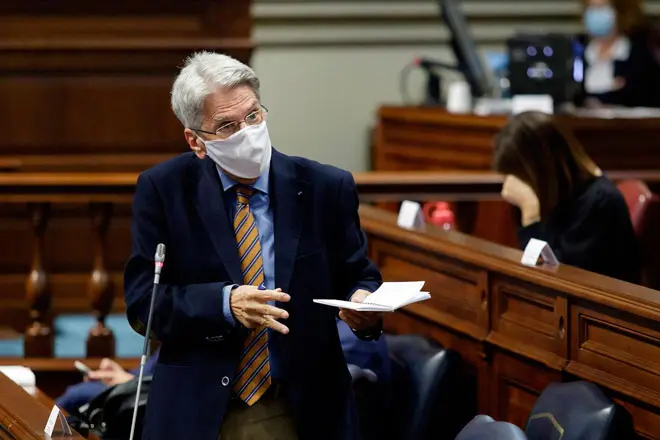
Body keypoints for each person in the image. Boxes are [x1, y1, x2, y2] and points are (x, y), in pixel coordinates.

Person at [124, 51, 383, 440]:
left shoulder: (325, 187)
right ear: (196, 141)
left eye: (253, 116)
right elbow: (145, 305)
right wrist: (224, 303)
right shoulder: (163, 191)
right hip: (196, 407)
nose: (247, 132)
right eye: (227, 125)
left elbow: (357, 276)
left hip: (302, 404)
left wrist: (365, 304)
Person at [493, 111, 641, 284]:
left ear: (542, 169)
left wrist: (531, 215)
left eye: (521, 178)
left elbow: (556, 278)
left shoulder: (598, 201)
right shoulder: (558, 195)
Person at [580, 0, 660, 108]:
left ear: (619, 12)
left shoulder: (641, 56)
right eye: (591, 7)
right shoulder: (577, 55)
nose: (595, 13)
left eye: (602, 7)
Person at [55, 349, 160, 414]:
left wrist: (128, 381)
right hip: (134, 384)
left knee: (75, 395)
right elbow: (146, 372)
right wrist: (119, 373)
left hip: (142, 394)